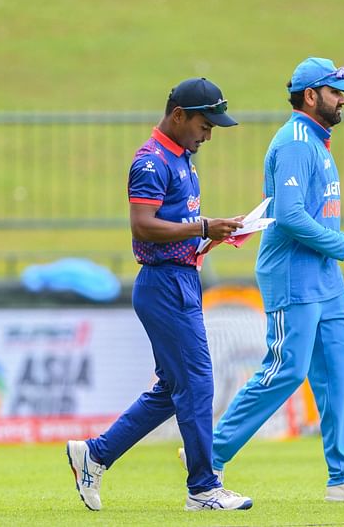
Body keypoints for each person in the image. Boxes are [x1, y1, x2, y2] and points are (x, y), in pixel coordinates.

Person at [180, 58, 344, 501]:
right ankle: (208, 455)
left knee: (339, 371)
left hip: (325, 276)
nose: (343, 100)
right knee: (286, 370)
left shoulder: (318, 143)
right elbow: (290, 216)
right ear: (310, 95)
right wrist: (343, 245)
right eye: (336, 92)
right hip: (293, 276)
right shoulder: (297, 142)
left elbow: (312, 215)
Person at [66, 77, 253, 512]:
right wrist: (203, 228)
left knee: (174, 388)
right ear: (179, 116)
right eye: (205, 126)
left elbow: (177, 225)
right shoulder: (151, 162)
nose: (208, 135)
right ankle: (203, 489)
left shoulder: (182, 159)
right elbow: (143, 225)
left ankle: (95, 454)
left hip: (180, 279)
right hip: (164, 284)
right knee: (197, 383)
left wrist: (216, 232)